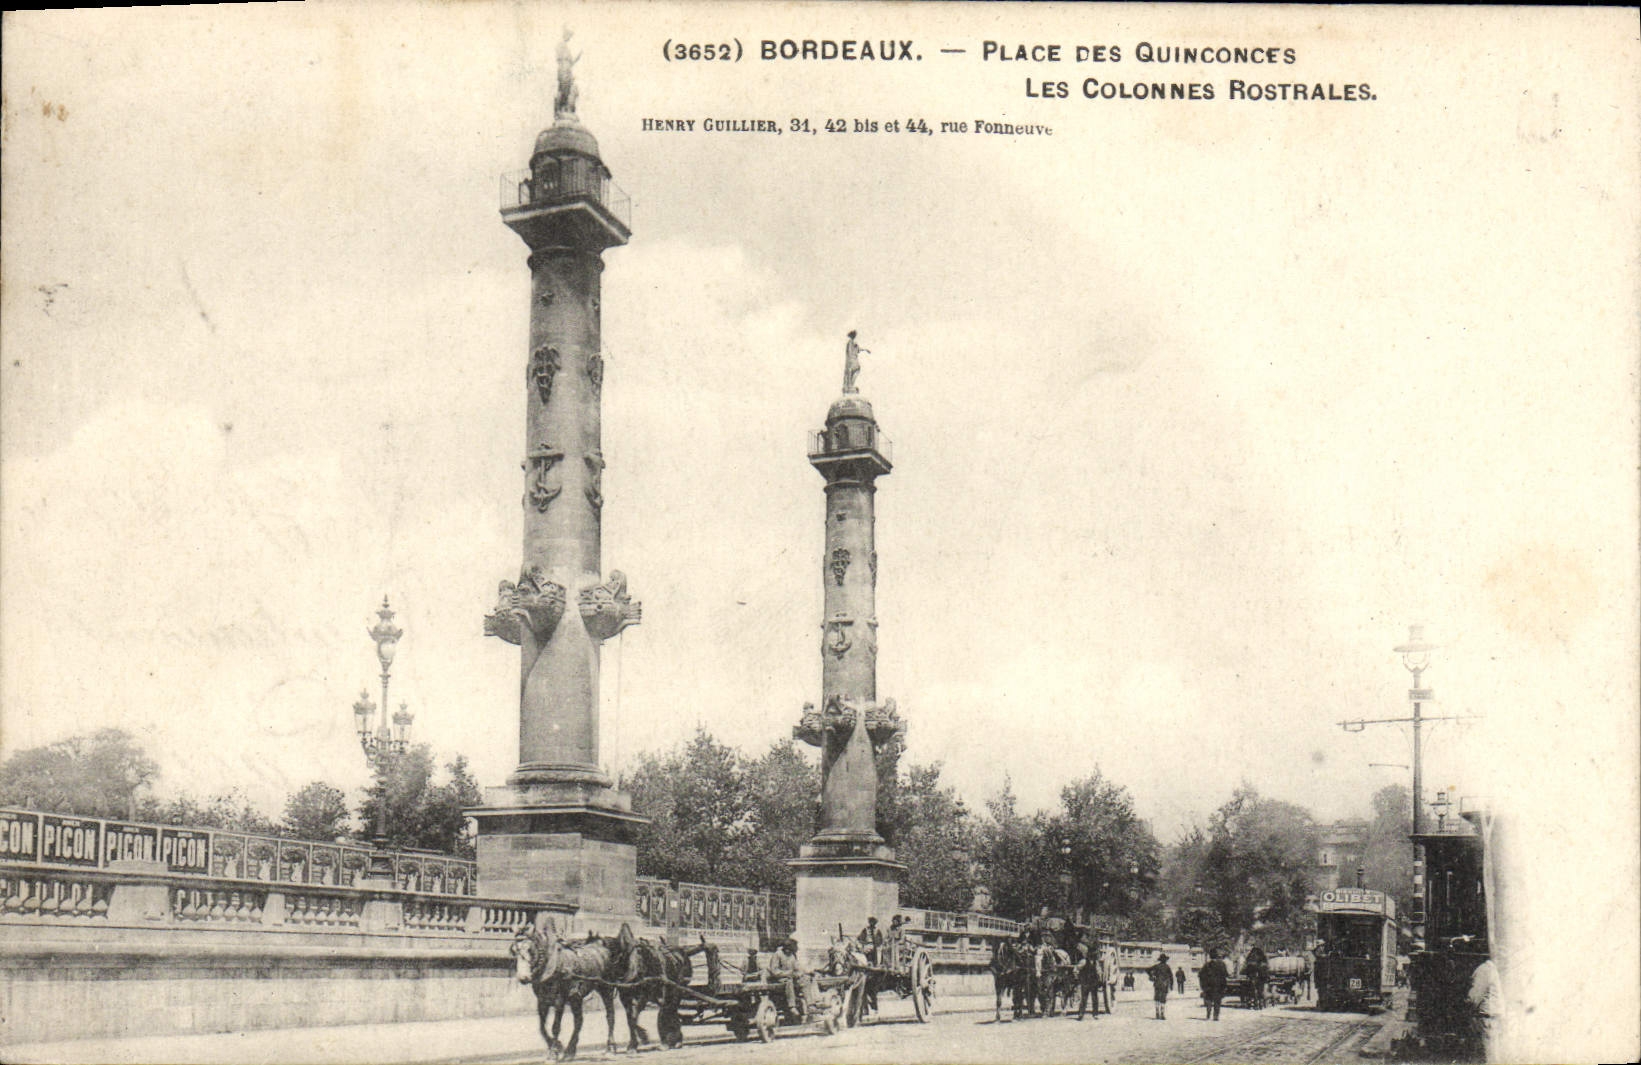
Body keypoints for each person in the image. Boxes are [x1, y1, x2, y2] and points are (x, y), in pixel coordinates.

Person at [764, 938, 815, 1022]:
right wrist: (788, 973)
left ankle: (810, 1005)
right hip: (779, 979)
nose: (796, 948)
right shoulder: (777, 955)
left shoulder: (792, 955)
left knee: (805, 979)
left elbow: (797, 967)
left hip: (791, 977)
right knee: (789, 982)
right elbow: (774, 971)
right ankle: (792, 1006)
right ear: (788, 947)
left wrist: (804, 972)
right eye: (795, 946)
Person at [1466, 956, 1503, 1062]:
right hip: (1492, 1018)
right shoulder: (1491, 969)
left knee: (1486, 1056)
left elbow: (1473, 998)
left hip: (1485, 1019)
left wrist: (1462, 1007)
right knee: (1492, 1055)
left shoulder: (1483, 970)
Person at [1199, 948, 1229, 1021]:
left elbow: (1201, 975)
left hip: (1209, 986)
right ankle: (1216, 1016)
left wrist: (1203, 986)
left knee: (1209, 1000)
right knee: (1217, 1001)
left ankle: (1208, 1015)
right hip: (1218, 986)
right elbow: (1225, 975)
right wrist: (1224, 986)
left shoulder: (1207, 965)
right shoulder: (1222, 964)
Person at [1148, 952, 1174, 1020]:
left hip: (1157, 984)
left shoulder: (1156, 966)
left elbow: (1147, 969)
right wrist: (1171, 985)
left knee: (1157, 998)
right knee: (1163, 999)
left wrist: (1151, 976)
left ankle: (1157, 1013)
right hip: (1164, 984)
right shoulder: (1167, 967)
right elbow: (1171, 976)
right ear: (1165, 960)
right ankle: (1162, 1014)